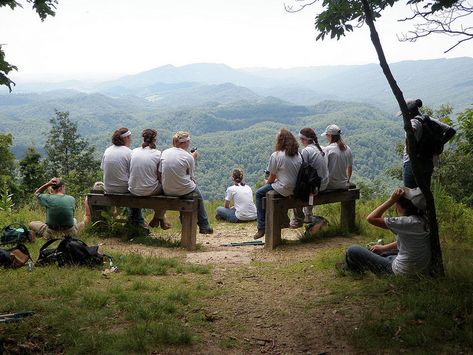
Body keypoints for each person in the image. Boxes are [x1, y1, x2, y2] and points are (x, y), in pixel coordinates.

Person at [339, 187, 430, 275]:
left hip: (400, 271)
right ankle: (354, 264)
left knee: (353, 249)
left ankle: (351, 267)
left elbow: (371, 218)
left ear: (401, 206)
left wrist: (391, 200)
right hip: (419, 268)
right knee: (383, 252)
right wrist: (384, 247)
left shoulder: (405, 222)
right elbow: (408, 242)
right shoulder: (424, 220)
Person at [160, 131, 213, 234]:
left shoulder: (165, 152)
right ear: (185, 143)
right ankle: (204, 225)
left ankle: (185, 222)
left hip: (167, 189)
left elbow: (161, 171)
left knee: (183, 188)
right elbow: (191, 177)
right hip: (182, 189)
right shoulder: (188, 157)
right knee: (198, 196)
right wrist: (193, 157)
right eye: (188, 141)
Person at [254, 128, 302, 240]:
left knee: (259, 194)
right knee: (276, 192)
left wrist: (266, 182)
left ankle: (261, 227)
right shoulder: (298, 154)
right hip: (296, 188)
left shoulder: (276, 155)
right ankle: (283, 220)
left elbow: (271, 178)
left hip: (284, 187)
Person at [400, 98, 456, 188]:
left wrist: (409, 130)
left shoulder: (412, 122)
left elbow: (413, 128)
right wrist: (440, 144)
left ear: (409, 112)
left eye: (404, 113)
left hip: (412, 163)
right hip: (428, 162)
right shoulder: (428, 119)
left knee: (410, 194)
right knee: (424, 194)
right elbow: (451, 131)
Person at [128, 129, 170, 229]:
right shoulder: (158, 154)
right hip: (149, 189)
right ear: (155, 140)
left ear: (143, 139)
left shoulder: (134, 151)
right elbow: (160, 176)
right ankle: (158, 217)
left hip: (133, 189)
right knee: (167, 189)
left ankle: (160, 219)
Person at [101, 127, 144, 226]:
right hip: (123, 189)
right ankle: (137, 223)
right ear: (126, 138)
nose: (131, 140)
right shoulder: (129, 152)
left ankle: (135, 222)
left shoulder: (107, 150)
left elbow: (104, 169)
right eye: (130, 137)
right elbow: (133, 172)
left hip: (108, 188)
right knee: (136, 189)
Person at [290, 127, 329, 228]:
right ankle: (307, 214)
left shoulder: (306, 151)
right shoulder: (322, 148)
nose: (301, 141)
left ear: (305, 139)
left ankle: (297, 220)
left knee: (295, 189)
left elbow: (303, 172)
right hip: (324, 183)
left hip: (316, 187)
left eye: (301, 139)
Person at [322, 124, 353, 190]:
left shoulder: (327, 149)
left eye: (326, 135)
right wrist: (348, 180)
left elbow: (323, 169)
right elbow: (350, 168)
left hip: (330, 185)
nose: (326, 137)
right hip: (343, 184)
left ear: (330, 136)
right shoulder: (347, 148)